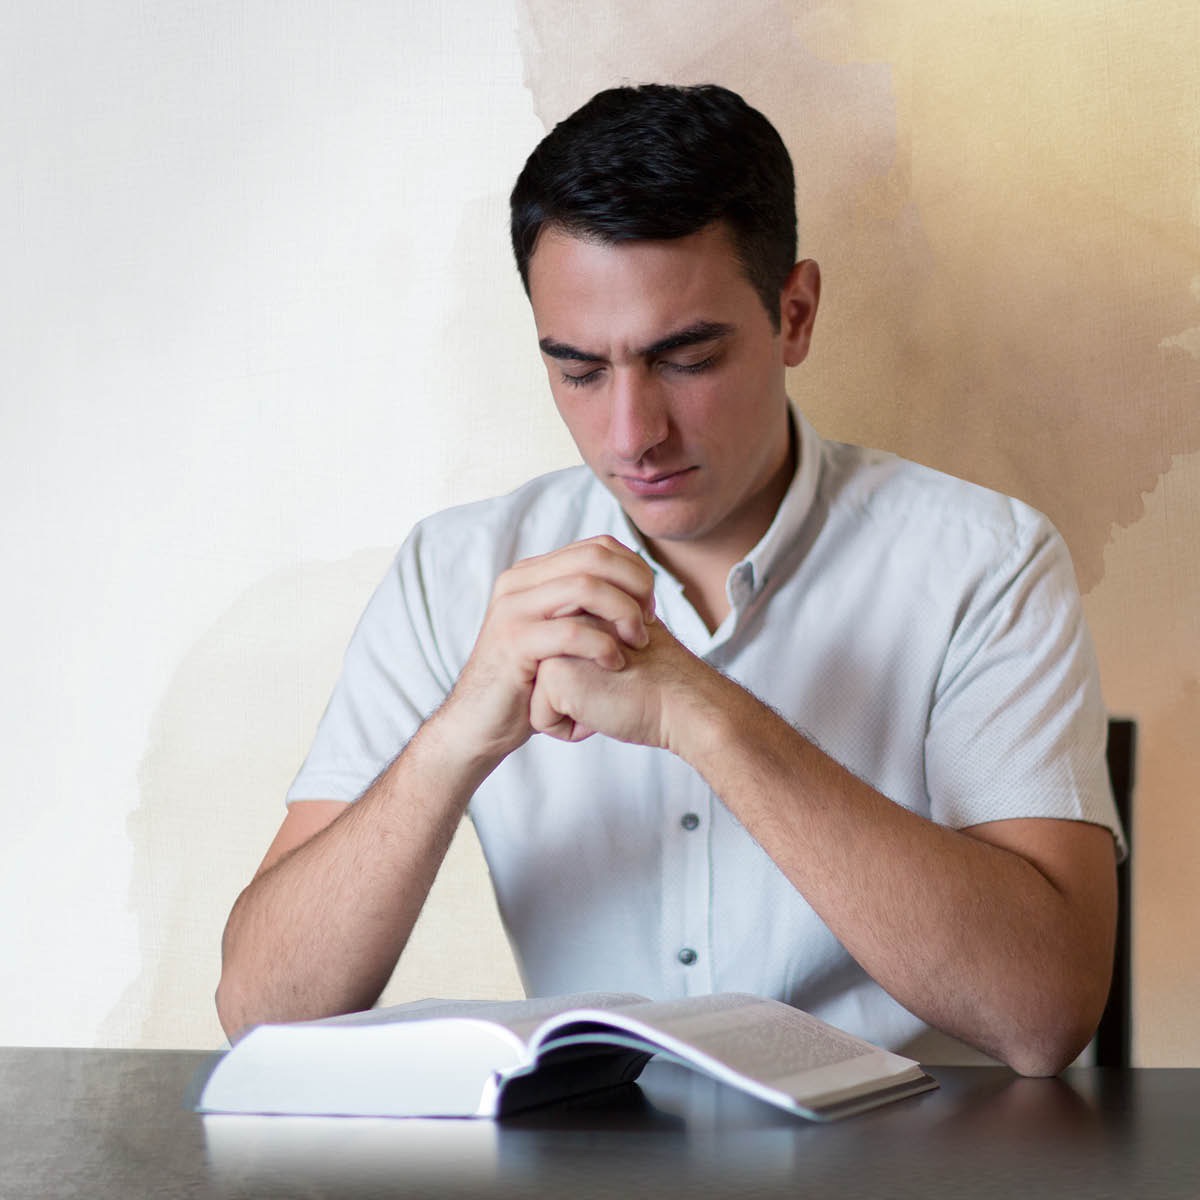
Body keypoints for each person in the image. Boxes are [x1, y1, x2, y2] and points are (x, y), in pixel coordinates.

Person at [215, 84, 1122, 1075]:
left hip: (909, 1166)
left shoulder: (984, 563)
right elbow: (264, 1013)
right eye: (578, 370)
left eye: (684, 357)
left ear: (796, 313)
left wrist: (700, 713)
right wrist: (457, 737)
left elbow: (1043, 1015)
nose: (631, 434)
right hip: (588, 1163)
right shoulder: (455, 573)